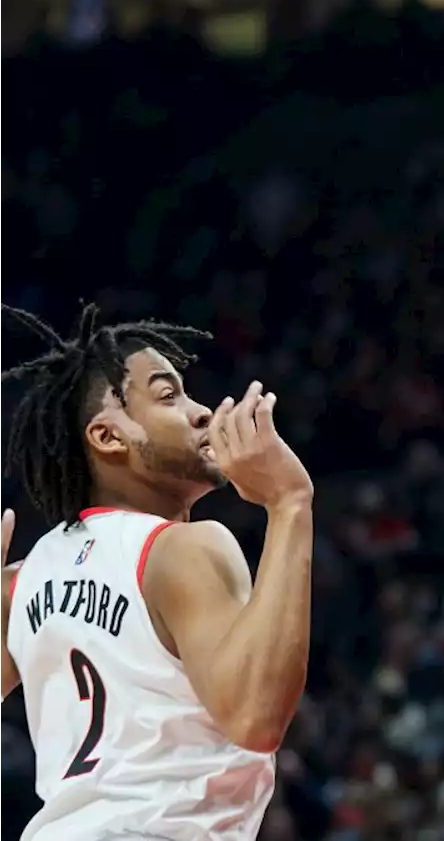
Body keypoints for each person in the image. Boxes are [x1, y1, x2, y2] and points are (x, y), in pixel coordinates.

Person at [0, 302, 315, 841]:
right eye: (169, 396)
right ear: (107, 437)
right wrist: (289, 504)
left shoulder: (23, 580)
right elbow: (255, 720)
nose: (201, 413)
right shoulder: (181, 549)